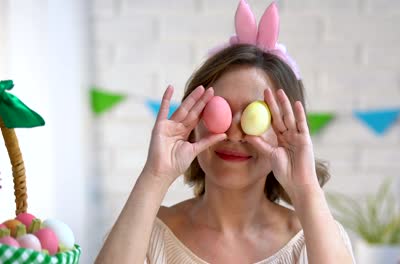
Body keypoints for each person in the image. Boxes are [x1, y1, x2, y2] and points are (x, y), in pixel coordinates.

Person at [95, 1, 356, 263]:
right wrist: (154, 176)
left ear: (285, 132)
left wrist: (306, 189)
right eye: (218, 110)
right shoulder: (147, 234)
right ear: (193, 124)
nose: (233, 133)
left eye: (255, 116)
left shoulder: (314, 240)